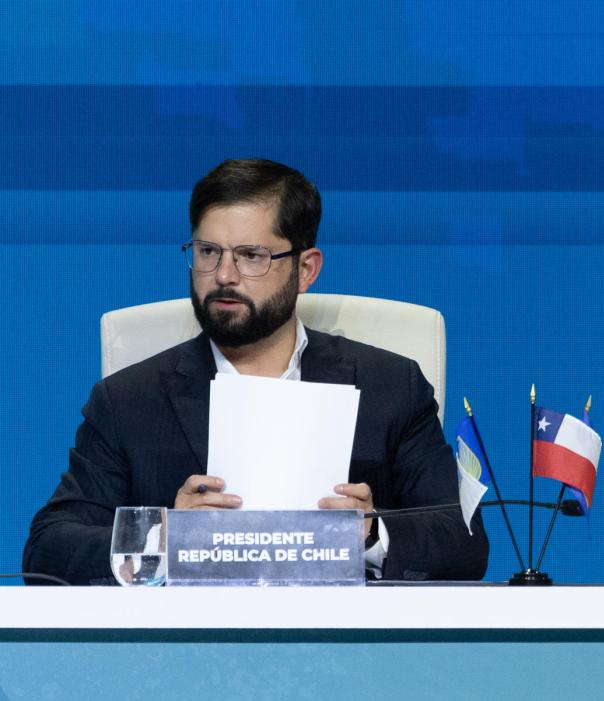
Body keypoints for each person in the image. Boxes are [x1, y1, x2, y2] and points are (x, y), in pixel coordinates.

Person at [24, 158, 487, 584]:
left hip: (347, 651)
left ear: (306, 269)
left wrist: (370, 533)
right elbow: (48, 548)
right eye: (208, 252)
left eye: (251, 256)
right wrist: (164, 537)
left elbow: (463, 542)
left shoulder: (388, 387)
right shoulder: (129, 400)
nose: (224, 275)